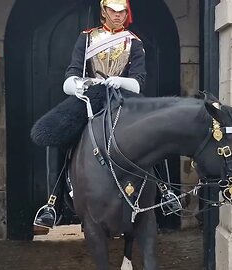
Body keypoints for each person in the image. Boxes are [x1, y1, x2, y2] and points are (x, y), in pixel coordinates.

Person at [33, 0, 147, 229]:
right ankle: (52, 202)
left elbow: (139, 82)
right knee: (54, 129)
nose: (118, 16)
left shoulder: (134, 43)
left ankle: (166, 192)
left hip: (123, 98)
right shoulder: (86, 38)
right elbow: (72, 73)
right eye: (113, 11)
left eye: (122, 11)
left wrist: (121, 81)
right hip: (91, 97)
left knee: (153, 129)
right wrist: (77, 85)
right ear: (104, 11)